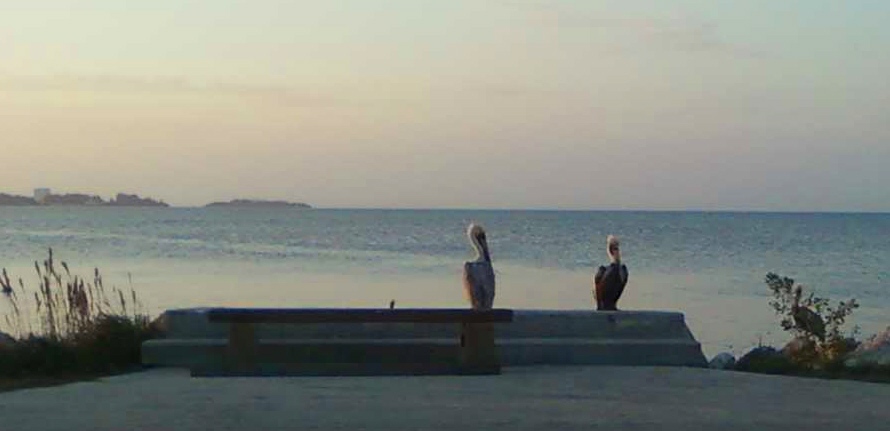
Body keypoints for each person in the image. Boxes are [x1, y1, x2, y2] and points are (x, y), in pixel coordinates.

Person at [593, 235, 628, 311]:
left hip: (612, 305)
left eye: (617, 248)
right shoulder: (602, 271)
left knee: (619, 269)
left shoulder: (622, 271)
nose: (617, 251)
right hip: (602, 306)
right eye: (614, 248)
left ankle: (612, 305)